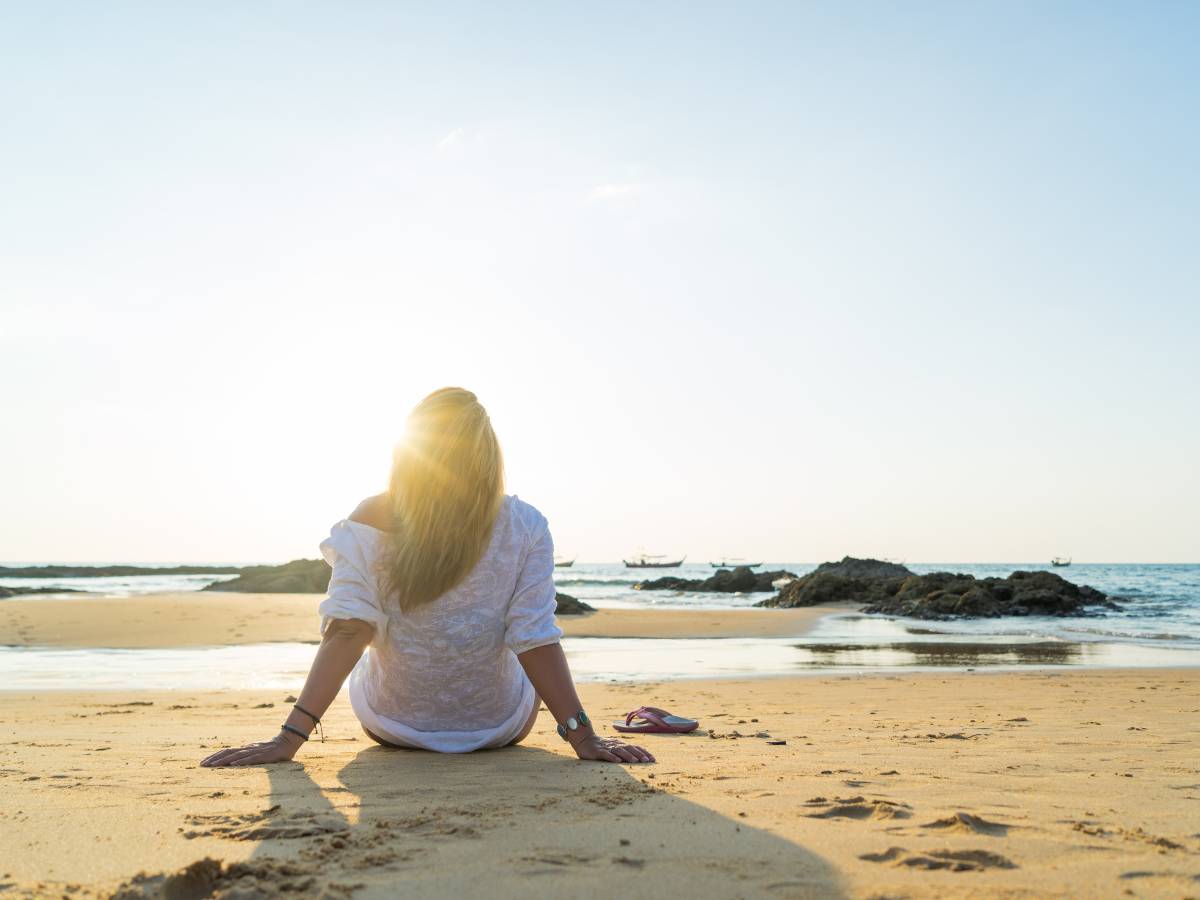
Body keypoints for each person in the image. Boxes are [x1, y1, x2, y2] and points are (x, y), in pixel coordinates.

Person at [201, 387, 654, 767]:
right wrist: (583, 737)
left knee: (369, 638)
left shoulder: (368, 519)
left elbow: (347, 632)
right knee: (517, 648)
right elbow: (534, 638)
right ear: (488, 457)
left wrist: (288, 739)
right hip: (499, 727)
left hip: (393, 726)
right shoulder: (525, 524)